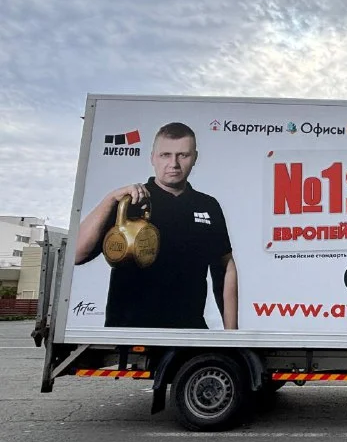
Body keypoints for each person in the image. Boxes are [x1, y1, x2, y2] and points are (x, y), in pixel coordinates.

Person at [75, 122, 238, 330]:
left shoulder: (207, 206)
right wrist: (110, 199)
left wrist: (231, 335)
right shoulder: (129, 202)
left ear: (195, 158)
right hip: (129, 330)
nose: (173, 163)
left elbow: (225, 268)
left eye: (183, 155)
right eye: (165, 155)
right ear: (152, 157)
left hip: (189, 331)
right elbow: (77, 254)